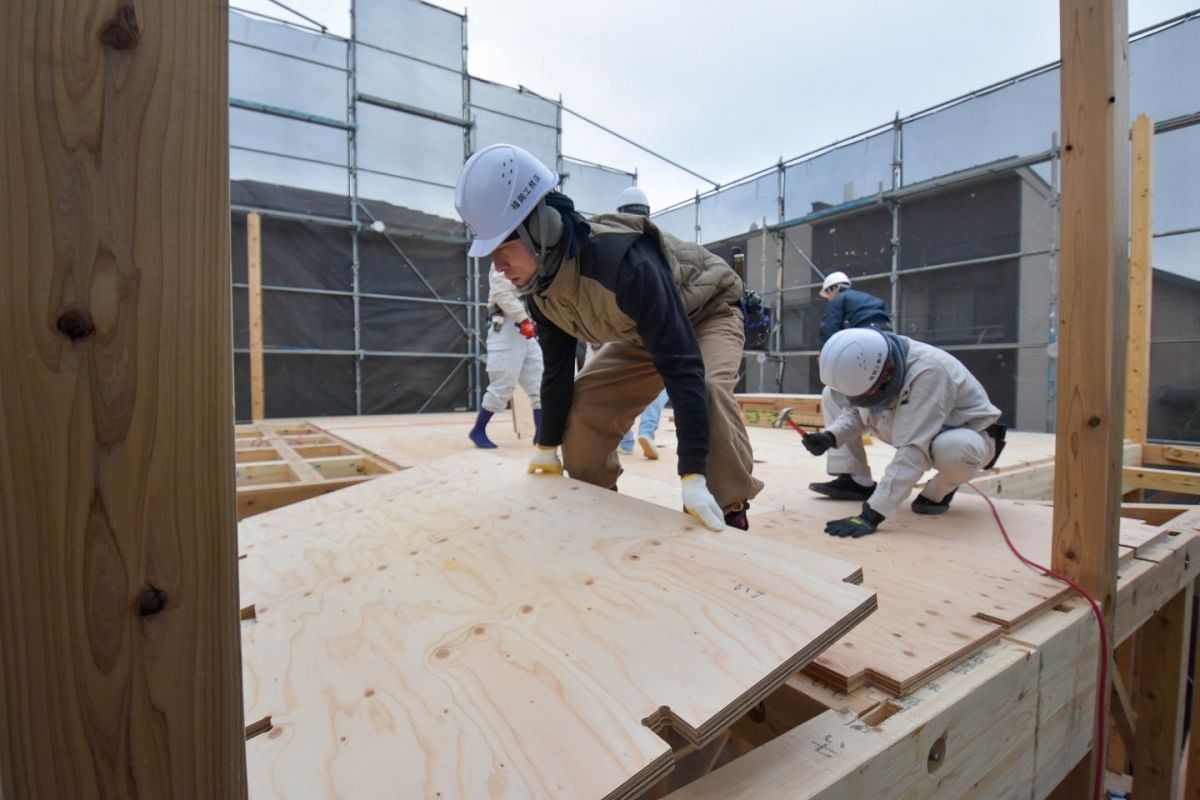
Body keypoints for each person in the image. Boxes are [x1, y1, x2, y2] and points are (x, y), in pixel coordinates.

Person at [454, 143, 763, 531]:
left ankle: (727, 510)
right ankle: (599, 506)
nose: (497, 264)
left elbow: (681, 365)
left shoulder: (624, 263)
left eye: (504, 246)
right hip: (643, 331)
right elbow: (557, 372)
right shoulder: (542, 290)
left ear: (542, 230)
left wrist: (692, 476)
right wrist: (547, 446)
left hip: (706, 311)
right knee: (583, 412)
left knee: (705, 387)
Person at [800, 328, 1007, 538]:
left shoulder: (928, 372)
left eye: (867, 393)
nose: (863, 397)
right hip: (912, 423)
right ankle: (856, 479)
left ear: (888, 371)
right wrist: (831, 436)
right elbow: (860, 411)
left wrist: (872, 513)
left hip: (969, 434)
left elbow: (913, 450)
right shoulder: (872, 363)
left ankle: (939, 492)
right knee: (832, 394)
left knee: (957, 450)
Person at [614, 184, 668, 460]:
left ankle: (624, 439)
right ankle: (647, 430)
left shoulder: (610, 243)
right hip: (656, 325)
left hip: (622, 327)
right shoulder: (658, 244)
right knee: (660, 383)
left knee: (621, 387)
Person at [468, 266, 543, 448]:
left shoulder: (528, 261)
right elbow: (501, 294)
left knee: (540, 383)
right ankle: (478, 430)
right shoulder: (500, 263)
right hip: (505, 328)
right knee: (503, 383)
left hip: (526, 329)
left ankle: (542, 435)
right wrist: (524, 319)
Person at [818, 271, 891, 346]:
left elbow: (829, 329)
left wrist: (824, 351)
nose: (828, 298)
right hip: (886, 336)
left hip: (865, 336)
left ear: (834, 289)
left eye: (827, 294)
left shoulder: (837, 299)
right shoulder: (868, 298)